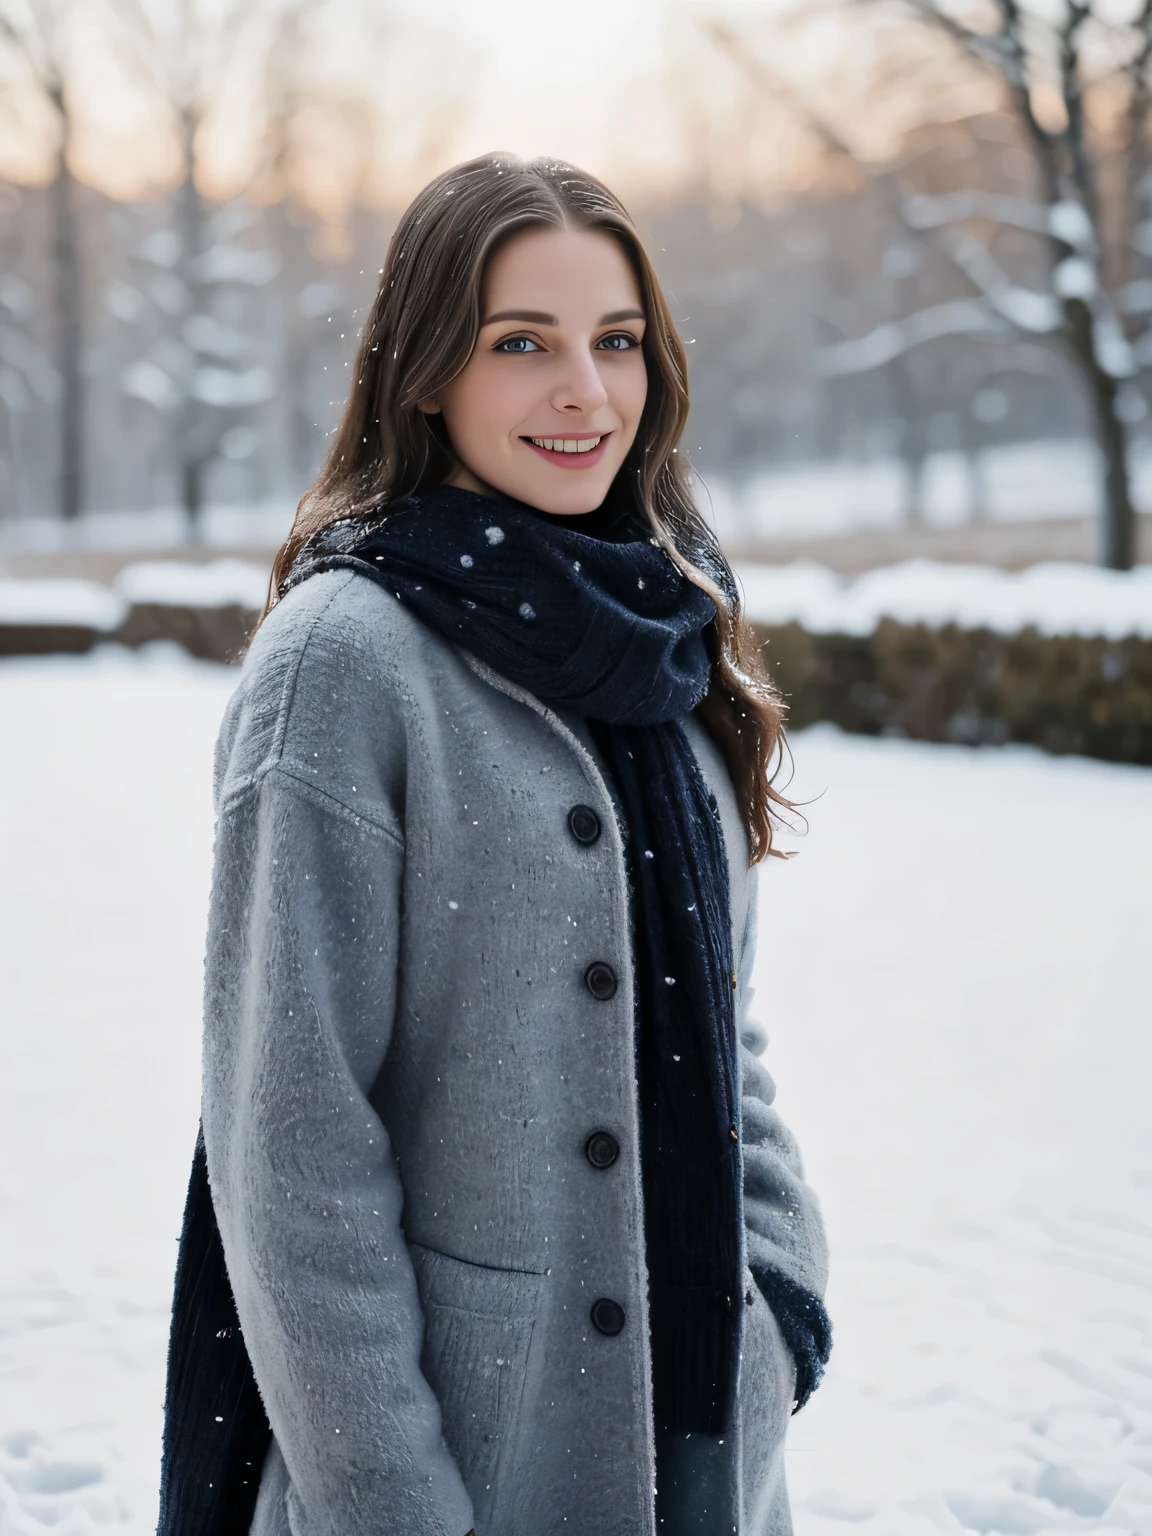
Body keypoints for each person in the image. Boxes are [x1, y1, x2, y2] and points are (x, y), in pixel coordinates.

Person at [157, 153, 830, 1536]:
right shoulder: (343, 667)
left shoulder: (671, 632)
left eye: (618, 340)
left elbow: (727, 1035)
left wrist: (782, 1299)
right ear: (424, 371)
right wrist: (396, 1505)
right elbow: (290, 1148)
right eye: (522, 343)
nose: (587, 391)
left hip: (702, 1439)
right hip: (461, 1464)